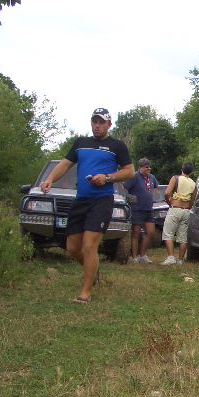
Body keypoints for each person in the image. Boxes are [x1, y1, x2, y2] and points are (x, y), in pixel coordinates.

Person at [40, 107, 134, 303]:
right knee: (72, 248)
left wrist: (107, 178)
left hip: (102, 200)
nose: (97, 126)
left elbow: (129, 171)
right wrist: (50, 179)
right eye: (94, 122)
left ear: (109, 124)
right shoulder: (81, 143)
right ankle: (93, 270)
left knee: (89, 245)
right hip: (81, 199)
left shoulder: (116, 146)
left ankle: (85, 293)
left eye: (101, 122)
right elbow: (65, 164)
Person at [161, 162, 196, 266]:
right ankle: (180, 260)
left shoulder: (176, 178)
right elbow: (192, 200)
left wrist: (169, 202)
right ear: (191, 172)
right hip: (186, 211)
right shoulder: (193, 183)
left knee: (168, 233)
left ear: (182, 169)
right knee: (182, 237)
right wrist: (188, 207)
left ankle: (171, 257)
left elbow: (167, 193)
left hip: (175, 209)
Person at [124, 158, 158, 264]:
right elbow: (124, 187)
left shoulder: (152, 177)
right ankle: (135, 257)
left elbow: (155, 187)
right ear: (140, 167)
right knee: (136, 233)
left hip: (148, 209)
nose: (149, 169)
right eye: (146, 167)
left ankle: (142, 255)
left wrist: (151, 195)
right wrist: (130, 197)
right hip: (137, 209)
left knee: (151, 232)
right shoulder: (134, 176)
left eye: (149, 167)